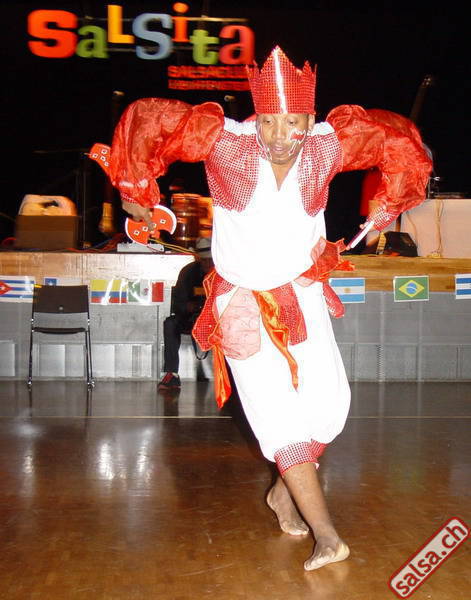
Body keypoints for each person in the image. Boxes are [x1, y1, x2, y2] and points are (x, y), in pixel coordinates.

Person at [91, 46, 431, 570]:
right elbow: (147, 119)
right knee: (278, 419)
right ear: (258, 117)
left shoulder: (326, 146)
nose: (277, 135)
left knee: (329, 408)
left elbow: (398, 138)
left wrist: (393, 198)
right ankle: (327, 536)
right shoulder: (227, 142)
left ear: (309, 121)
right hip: (242, 306)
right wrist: (136, 187)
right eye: (269, 121)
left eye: (291, 122)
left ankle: (281, 492)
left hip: (304, 295)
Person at [158, 237, 214, 389]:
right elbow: (179, 302)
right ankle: (172, 374)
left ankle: (232, 376)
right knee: (170, 324)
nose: (208, 264)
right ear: (198, 259)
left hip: (216, 320)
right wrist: (187, 306)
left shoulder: (223, 272)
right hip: (191, 319)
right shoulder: (188, 272)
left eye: (210, 260)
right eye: (204, 260)